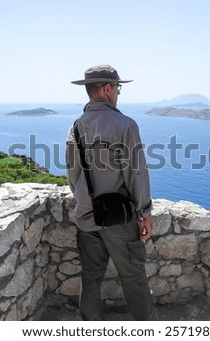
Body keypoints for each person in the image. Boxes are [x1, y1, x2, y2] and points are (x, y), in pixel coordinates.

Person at [65, 64, 158, 321]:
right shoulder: (125, 125)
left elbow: (73, 176)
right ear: (107, 88)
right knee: (133, 276)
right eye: (117, 87)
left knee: (91, 277)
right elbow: (136, 173)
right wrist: (145, 213)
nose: (117, 92)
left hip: (86, 216)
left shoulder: (75, 127)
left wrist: (85, 203)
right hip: (118, 219)